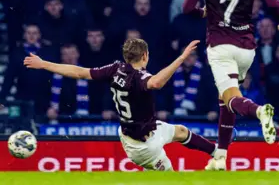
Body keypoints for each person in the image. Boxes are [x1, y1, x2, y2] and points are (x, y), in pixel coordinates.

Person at [182, 0, 279, 170]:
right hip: (246, 49)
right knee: (226, 97)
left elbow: (186, 8)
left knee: (232, 97)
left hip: (220, 46)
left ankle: (260, 111)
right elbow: (273, 3)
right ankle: (220, 156)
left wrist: (203, 13)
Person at [23, 39, 219, 171]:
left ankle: (217, 153)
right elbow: (157, 82)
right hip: (143, 146)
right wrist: (182, 58)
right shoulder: (140, 77)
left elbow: (79, 72)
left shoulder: (115, 69)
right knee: (169, 178)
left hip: (143, 131)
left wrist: (45, 64)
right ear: (145, 56)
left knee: (181, 132)